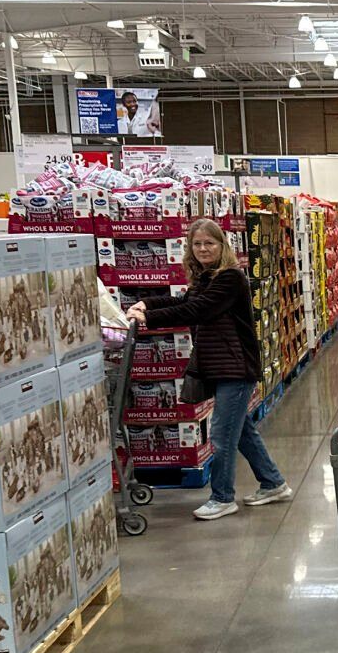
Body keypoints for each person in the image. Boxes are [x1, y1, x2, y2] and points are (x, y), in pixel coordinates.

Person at [125, 217, 293, 521]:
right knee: (240, 431)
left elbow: (197, 310)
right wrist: (146, 303)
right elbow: (182, 300)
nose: (203, 248)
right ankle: (273, 483)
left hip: (236, 368)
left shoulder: (230, 279)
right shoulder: (206, 279)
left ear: (222, 245)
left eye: (209, 243)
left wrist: (148, 319)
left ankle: (222, 497)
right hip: (220, 367)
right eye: (197, 243)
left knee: (221, 434)